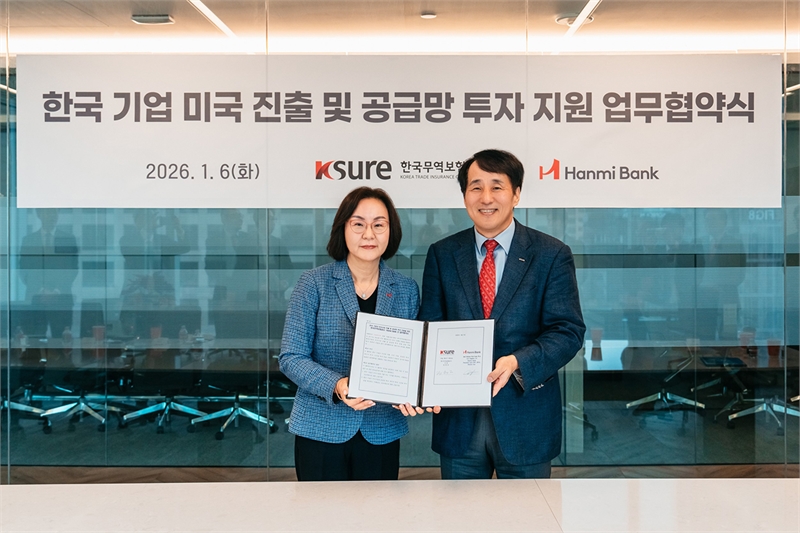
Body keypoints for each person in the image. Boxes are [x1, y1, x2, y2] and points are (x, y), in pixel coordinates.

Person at [416, 149, 585, 479]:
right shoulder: (443, 254)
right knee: (459, 510)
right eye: (476, 187)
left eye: (497, 187)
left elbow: (567, 331)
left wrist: (518, 362)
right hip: (459, 420)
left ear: (516, 194)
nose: (486, 198)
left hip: (526, 416)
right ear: (465, 195)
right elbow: (430, 327)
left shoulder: (551, 254)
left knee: (527, 510)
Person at [279, 187, 420, 481]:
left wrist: (415, 392)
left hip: (381, 429)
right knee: (321, 510)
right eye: (358, 224)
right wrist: (337, 385)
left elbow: (414, 359)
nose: (369, 234)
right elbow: (291, 357)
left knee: (377, 510)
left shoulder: (406, 289)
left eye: (379, 224)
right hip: (320, 428)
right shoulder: (313, 283)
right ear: (342, 228)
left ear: (391, 231)